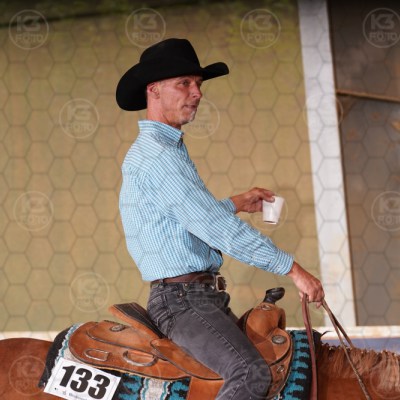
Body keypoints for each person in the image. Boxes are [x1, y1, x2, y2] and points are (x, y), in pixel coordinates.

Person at [116, 38, 325, 399]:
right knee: (250, 374)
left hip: (193, 297)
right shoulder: (158, 156)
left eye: (198, 84)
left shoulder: (164, 150)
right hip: (183, 300)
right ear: (154, 89)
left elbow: (185, 218)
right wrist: (292, 269)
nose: (197, 93)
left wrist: (237, 202)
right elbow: (215, 228)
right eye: (184, 83)